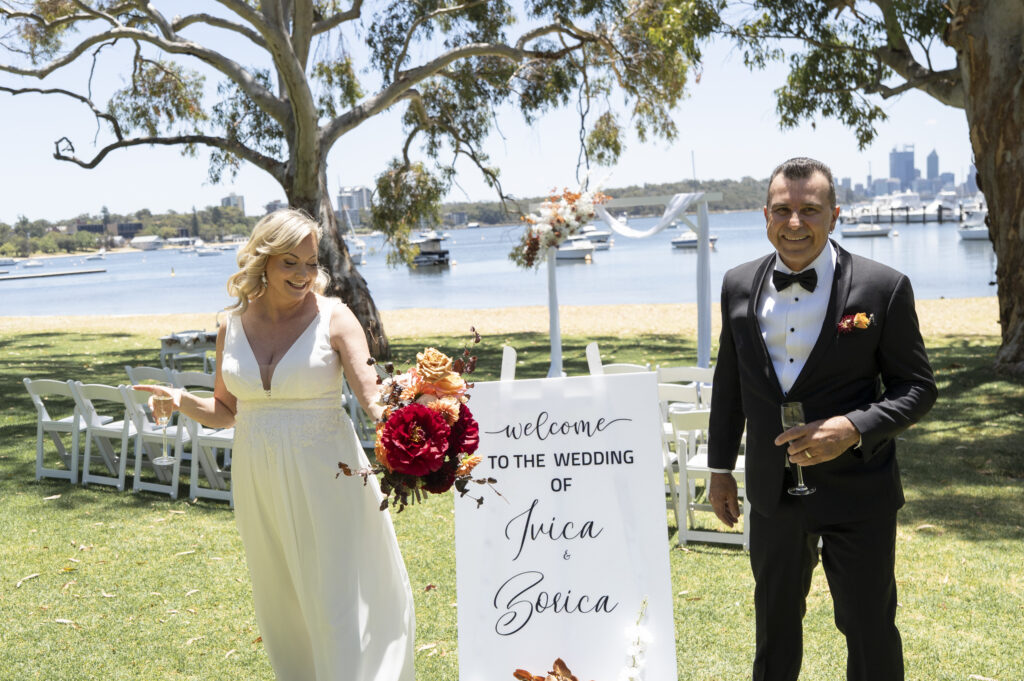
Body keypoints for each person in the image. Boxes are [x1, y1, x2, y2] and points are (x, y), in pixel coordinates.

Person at [137, 209, 415, 681]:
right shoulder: (232, 324)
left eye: (310, 263)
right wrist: (181, 399)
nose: (304, 275)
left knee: (336, 599)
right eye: (291, 262)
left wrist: (422, 408)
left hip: (329, 477)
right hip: (257, 479)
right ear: (263, 260)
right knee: (282, 602)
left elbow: (374, 400)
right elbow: (227, 411)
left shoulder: (335, 317)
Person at [707, 157, 936, 681]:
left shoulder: (884, 288)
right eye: (783, 210)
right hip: (772, 493)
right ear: (765, 215)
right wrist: (721, 467)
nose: (794, 223)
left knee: (869, 628)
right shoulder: (737, 284)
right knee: (775, 629)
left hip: (859, 491)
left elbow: (918, 388)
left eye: (809, 210)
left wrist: (853, 427)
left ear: (834, 215)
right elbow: (730, 383)